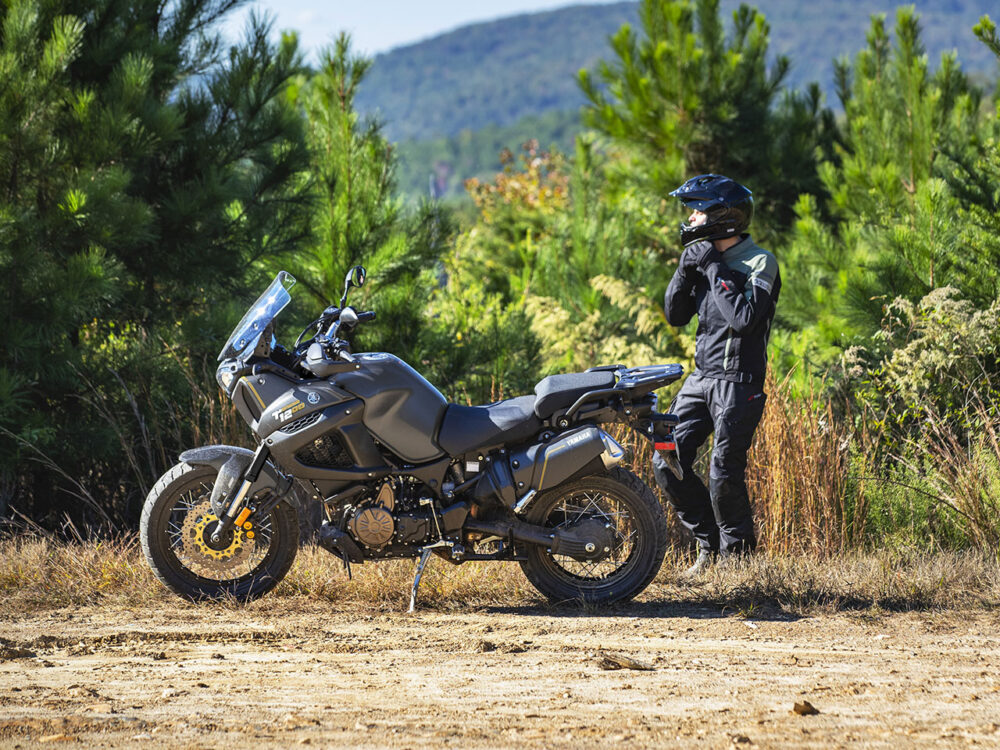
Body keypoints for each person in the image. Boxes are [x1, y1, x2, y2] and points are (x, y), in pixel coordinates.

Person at [653, 174, 780, 575]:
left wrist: (711, 268)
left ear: (721, 216)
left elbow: (743, 320)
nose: (690, 217)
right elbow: (675, 316)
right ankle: (708, 547)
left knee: (723, 470)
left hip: (739, 382)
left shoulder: (760, 262)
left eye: (697, 209)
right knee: (665, 460)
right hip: (701, 378)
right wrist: (684, 271)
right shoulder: (704, 260)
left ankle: (738, 562)